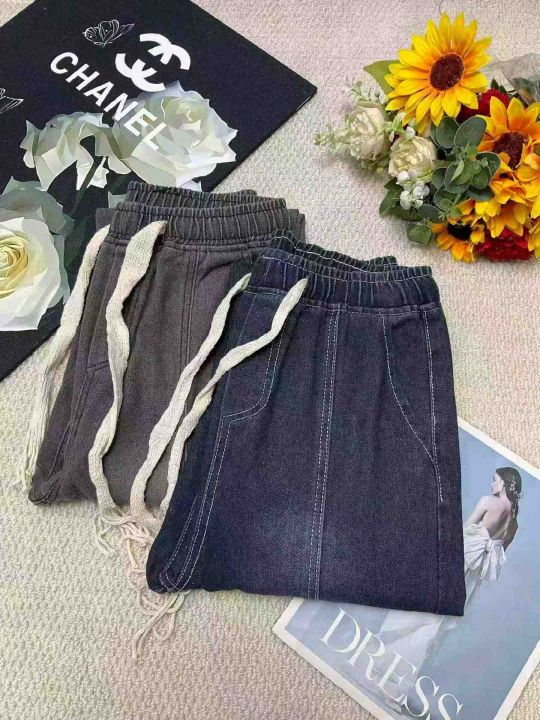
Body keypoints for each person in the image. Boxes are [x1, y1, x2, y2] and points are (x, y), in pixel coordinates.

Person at [364, 467, 523, 715]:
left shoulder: (488, 501)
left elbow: (459, 534)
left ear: (504, 483)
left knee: (419, 614)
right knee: (434, 629)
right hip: (469, 582)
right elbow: (495, 556)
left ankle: (380, 673)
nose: (492, 483)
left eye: (495, 480)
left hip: (454, 563)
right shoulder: (513, 525)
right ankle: (394, 686)